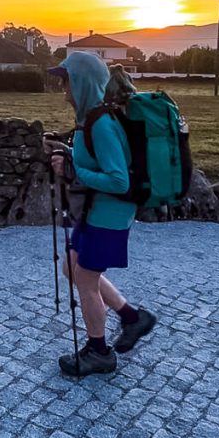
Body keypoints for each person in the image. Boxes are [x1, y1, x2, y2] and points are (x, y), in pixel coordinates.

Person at [46, 51, 155, 376]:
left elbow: (119, 180)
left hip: (109, 214)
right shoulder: (91, 119)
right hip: (96, 210)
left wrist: (74, 170)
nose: (63, 90)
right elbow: (94, 161)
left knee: (84, 277)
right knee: (71, 266)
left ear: (82, 82)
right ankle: (133, 318)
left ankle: (99, 352)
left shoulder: (101, 123)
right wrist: (66, 153)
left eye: (66, 82)